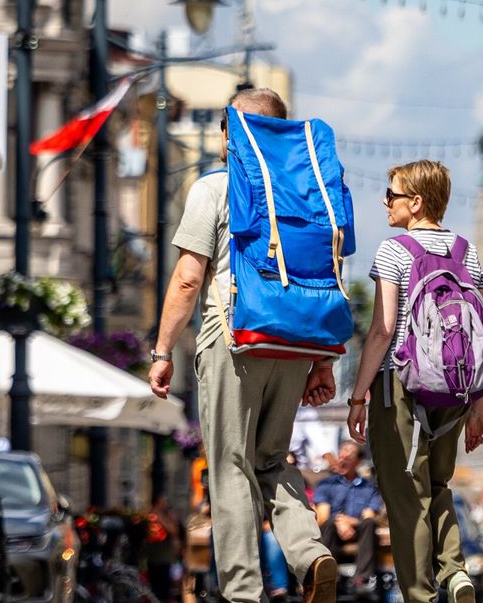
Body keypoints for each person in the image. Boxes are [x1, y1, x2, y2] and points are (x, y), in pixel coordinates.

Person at [148, 88, 339, 603]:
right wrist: (320, 360)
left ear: (232, 132)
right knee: (272, 460)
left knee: (230, 464)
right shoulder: (308, 190)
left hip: (234, 338)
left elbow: (189, 279)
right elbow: (323, 273)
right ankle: (310, 552)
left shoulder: (216, 187)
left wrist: (163, 350)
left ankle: (243, 592)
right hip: (295, 343)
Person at [346, 160, 483, 603]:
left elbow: (383, 330)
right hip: (457, 387)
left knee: (407, 498)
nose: (385, 202)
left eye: (392, 194)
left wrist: (358, 396)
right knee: (439, 485)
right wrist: (479, 403)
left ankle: (420, 597)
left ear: (416, 202)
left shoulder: (395, 250)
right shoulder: (467, 251)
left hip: (401, 386)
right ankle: (457, 574)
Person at [313, 440, 383, 595]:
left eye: (349, 453)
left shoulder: (369, 487)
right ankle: (328, 578)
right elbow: (323, 517)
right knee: (329, 524)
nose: (343, 456)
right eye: (341, 452)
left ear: (358, 461)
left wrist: (349, 522)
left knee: (370, 523)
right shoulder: (326, 484)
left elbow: (369, 515)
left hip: (358, 530)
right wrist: (339, 522)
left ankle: (362, 579)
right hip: (332, 530)